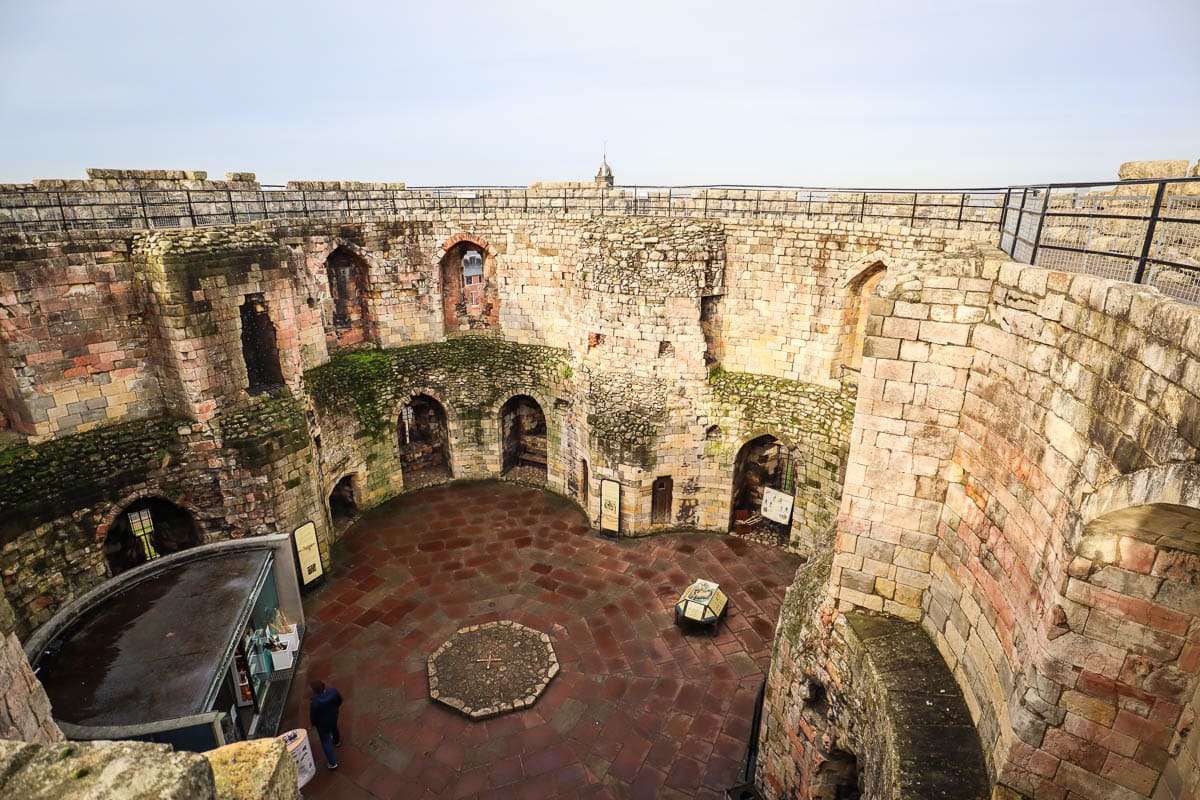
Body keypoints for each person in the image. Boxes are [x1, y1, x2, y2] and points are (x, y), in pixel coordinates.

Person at [308, 679, 343, 770]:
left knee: (325, 741)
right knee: (334, 727)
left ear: (314, 691)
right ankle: (337, 741)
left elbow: (313, 716)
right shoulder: (334, 692)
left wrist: (313, 723)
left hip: (322, 724)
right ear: (324, 686)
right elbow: (340, 700)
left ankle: (332, 762)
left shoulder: (315, 702)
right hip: (333, 716)